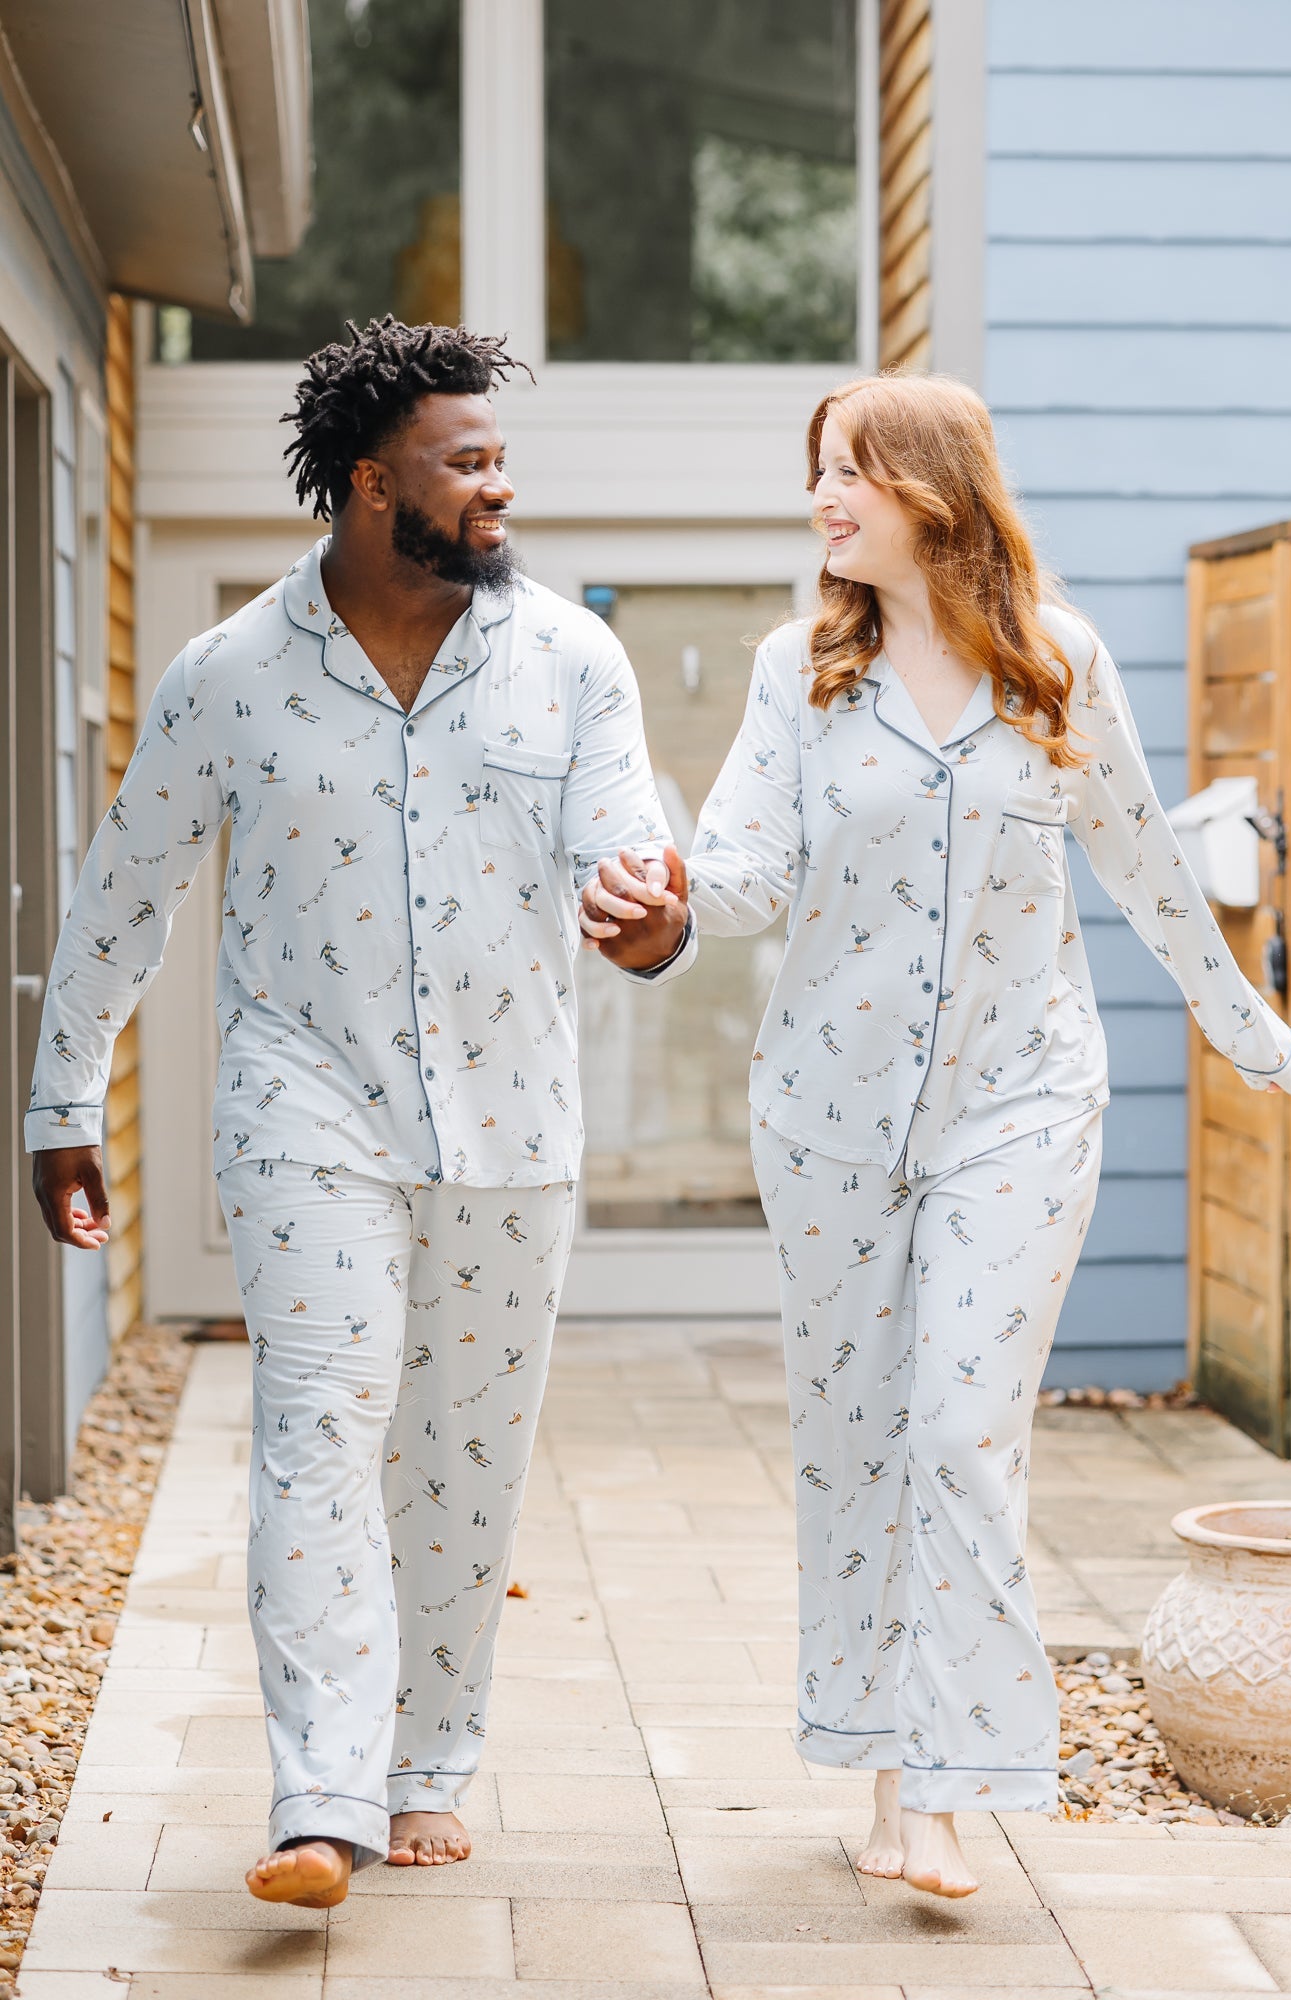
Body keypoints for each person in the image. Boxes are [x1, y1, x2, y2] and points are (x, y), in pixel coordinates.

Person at [578, 371, 1291, 1899]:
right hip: (828, 1121)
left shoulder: (1057, 662)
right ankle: (884, 1773)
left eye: (847, 470)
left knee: (957, 1436)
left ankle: (956, 1788)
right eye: (817, 474)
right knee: (855, 1447)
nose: (821, 499)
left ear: (930, 487)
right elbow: (744, 870)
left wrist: (1242, 1026)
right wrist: (666, 909)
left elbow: (1140, 862)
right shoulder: (799, 673)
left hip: (1019, 1107)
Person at [27, 317, 692, 1909]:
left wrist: (652, 924)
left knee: (464, 1459)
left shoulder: (570, 662)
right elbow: (123, 897)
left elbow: (641, 877)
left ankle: (426, 1764)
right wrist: (62, 1098)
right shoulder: (229, 677)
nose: (498, 488)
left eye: (498, 460)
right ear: (370, 480)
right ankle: (320, 1793)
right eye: (469, 462)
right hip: (302, 1109)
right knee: (317, 1433)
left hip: (512, 1122)